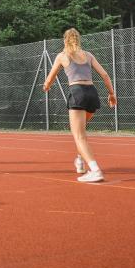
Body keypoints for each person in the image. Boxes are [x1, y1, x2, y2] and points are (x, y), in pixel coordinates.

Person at [43, 28, 117, 183]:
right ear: (78, 39)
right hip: (92, 93)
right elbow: (104, 75)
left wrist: (46, 86)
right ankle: (80, 160)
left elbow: (50, 78)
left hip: (77, 93)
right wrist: (111, 94)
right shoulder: (88, 55)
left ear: (65, 40)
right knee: (81, 133)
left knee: (79, 136)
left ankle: (95, 170)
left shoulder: (62, 56)